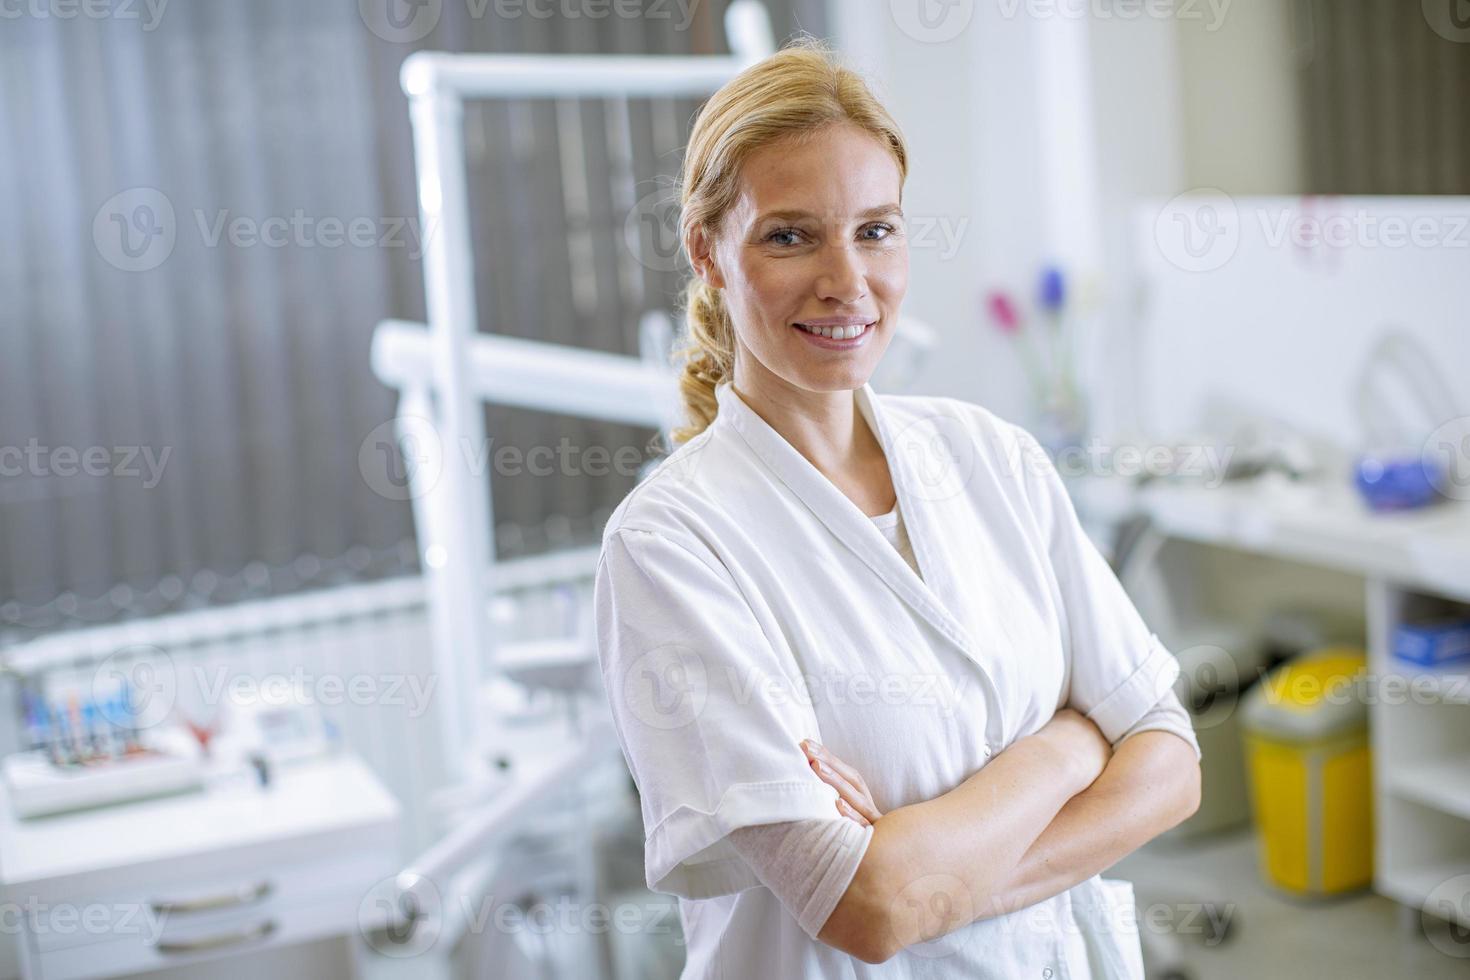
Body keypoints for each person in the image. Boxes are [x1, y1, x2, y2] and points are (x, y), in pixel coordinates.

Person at [593, 36, 1201, 979]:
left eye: (875, 229)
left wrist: (938, 877)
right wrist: (1075, 742)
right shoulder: (672, 543)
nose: (848, 281)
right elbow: (869, 909)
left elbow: (1170, 763)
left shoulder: (992, 456)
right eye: (790, 235)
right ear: (706, 250)